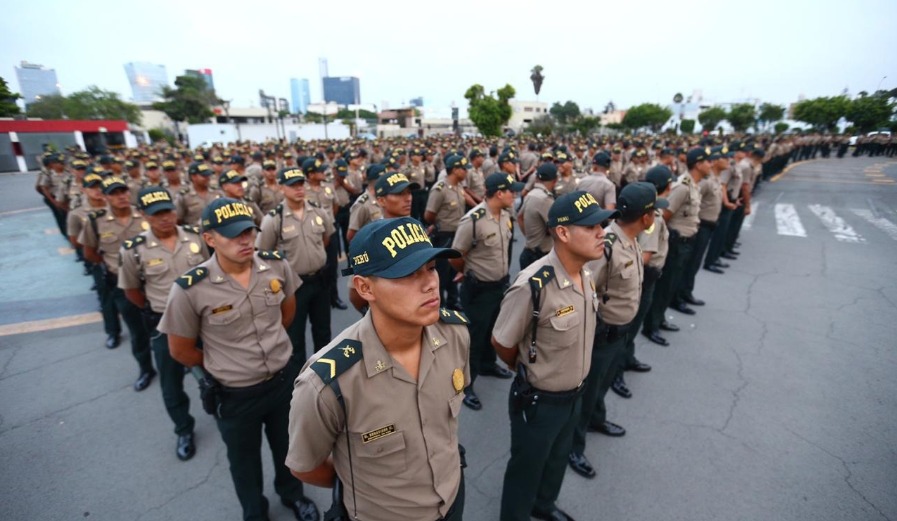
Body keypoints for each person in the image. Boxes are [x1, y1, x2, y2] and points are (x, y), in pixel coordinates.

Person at [286, 216, 469, 521]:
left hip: (452, 498)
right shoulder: (327, 383)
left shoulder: (455, 334)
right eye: (408, 274)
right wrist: (371, 489)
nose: (430, 284)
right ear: (365, 287)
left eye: (431, 268)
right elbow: (306, 467)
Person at [159, 197, 320, 521]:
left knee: (288, 447)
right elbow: (180, 350)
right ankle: (254, 511)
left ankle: (292, 494)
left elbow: (287, 314)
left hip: (281, 382)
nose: (245, 240)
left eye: (248, 231)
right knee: (243, 461)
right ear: (209, 238)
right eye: (233, 234)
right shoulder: (190, 288)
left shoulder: (276, 265)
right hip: (235, 394)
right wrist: (226, 363)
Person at [492, 191, 616, 521]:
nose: (601, 232)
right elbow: (502, 342)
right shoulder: (533, 285)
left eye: (602, 225)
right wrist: (528, 369)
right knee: (527, 468)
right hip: (539, 401)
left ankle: (544, 505)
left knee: (558, 458)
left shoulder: (586, 273)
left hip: (575, 394)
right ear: (562, 232)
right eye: (591, 227)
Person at [568, 183, 662, 480]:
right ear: (645, 216)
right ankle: (573, 446)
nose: (656, 215)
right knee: (588, 392)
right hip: (603, 334)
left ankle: (597, 420)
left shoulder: (630, 239)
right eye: (654, 210)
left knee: (605, 383)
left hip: (621, 330)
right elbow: (584, 292)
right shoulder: (607, 245)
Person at [118, 187, 209, 461]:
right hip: (165, 325)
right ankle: (184, 429)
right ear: (144, 215)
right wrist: (159, 310)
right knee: (171, 382)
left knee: (217, 369)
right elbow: (132, 291)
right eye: (157, 214)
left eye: (168, 211)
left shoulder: (195, 236)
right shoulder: (134, 250)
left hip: (204, 319)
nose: (165, 218)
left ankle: (220, 409)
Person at [450, 173, 523, 411]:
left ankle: (488, 364)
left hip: (499, 285)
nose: (515, 195)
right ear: (499, 193)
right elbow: (456, 256)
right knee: (474, 338)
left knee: (493, 329)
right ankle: (466, 385)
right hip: (479, 289)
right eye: (511, 191)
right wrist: (467, 271)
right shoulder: (473, 221)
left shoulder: (505, 215)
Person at [79, 177, 156, 390]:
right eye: (114, 193)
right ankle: (146, 368)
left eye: (123, 191)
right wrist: (114, 267)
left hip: (153, 281)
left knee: (163, 325)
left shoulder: (144, 215)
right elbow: (90, 253)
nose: (121, 196)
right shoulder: (96, 220)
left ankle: (175, 361)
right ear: (105, 197)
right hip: (123, 286)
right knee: (137, 330)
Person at [257, 167, 336, 364]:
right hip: (293, 287)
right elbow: (262, 254)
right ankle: (299, 378)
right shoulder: (274, 219)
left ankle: (325, 374)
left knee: (323, 332)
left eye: (301, 184)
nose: (299, 189)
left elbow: (326, 238)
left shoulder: (317, 210)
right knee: (295, 338)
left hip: (319, 280)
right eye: (293, 185)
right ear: (282, 188)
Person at [642, 147, 707, 343]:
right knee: (664, 286)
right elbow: (665, 215)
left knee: (671, 285)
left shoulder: (692, 184)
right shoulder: (682, 187)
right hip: (676, 242)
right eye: (707, 161)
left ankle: (659, 318)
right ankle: (651, 326)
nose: (710, 164)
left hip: (685, 241)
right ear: (698, 163)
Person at [424, 154, 471, 310]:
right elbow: (429, 214)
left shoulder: (458, 186)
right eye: (463, 169)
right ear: (455, 170)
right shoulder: (440, 189)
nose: (466, 172)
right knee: (442, 274)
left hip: (457, 235)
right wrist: (439, 224)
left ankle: (452, 301)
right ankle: (440, 305)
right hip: (444, 236)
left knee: (453, 272)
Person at [517, 162, 558, 270]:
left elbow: (520, 217)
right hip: (541, 255)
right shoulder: (545, 199)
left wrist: (530, 237)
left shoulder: (532, 194)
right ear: (555, 181)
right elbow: (554, 228)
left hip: (530, 251)